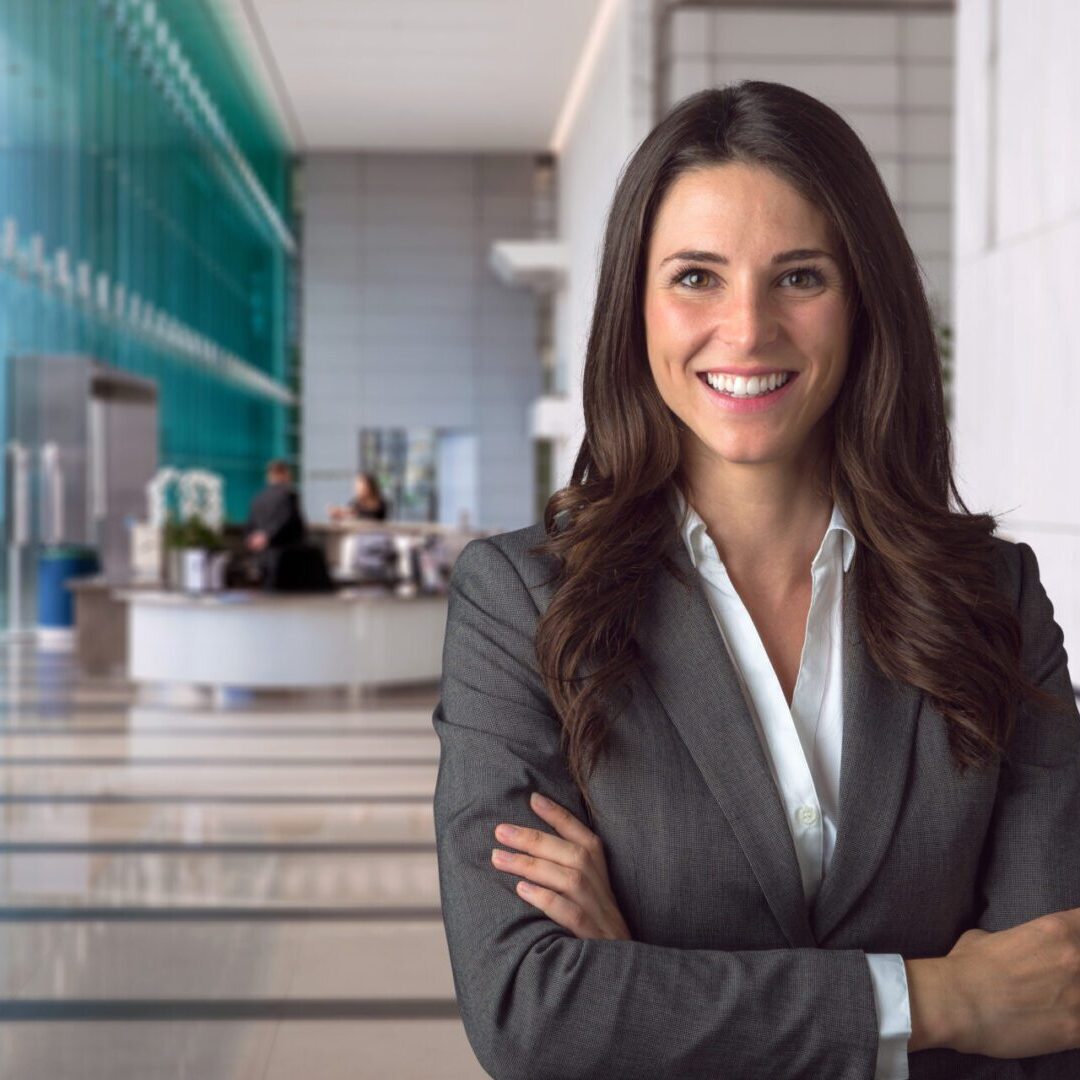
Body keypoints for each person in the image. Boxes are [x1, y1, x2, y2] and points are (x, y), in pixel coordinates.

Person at [432, 81, 1080, 1080]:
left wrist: (649, 984)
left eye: (800, 277)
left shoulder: (995, 599)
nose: (746, 329)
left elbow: (1051, 998)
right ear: (635, 304)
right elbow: (530, 1009)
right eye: (696, 276)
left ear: (864, 302)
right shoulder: (521, 603)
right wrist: (938, 999)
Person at [245, 459, 307, 584]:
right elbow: (287, 519)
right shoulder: (289, 495)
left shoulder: (258, 498)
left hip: (262, 556)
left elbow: (250, 525)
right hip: (287, 556)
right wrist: (267, 536)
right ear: (283, 474)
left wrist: (254, 539)